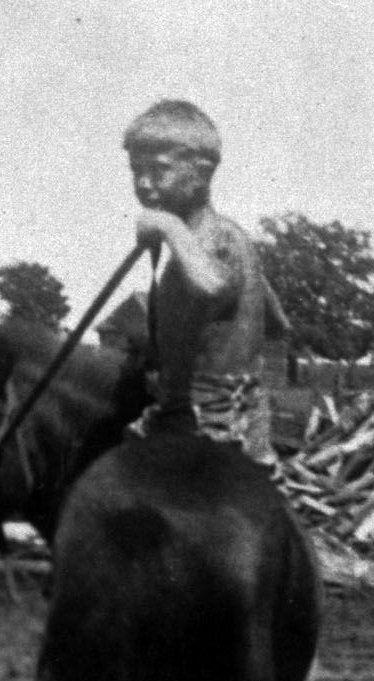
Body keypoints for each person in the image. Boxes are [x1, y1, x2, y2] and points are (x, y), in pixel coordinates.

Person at [122, 99, 282, 464]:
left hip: (216, 428)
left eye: (159, 169)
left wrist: (167, 226)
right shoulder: (197, 246)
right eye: (136, 170)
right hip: (185, 415)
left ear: (202, 173)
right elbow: (275, 322)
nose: (144, 183)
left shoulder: (216, 238)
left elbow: (212, 284)